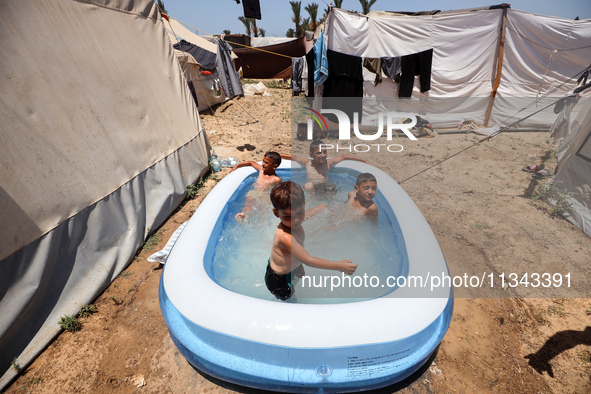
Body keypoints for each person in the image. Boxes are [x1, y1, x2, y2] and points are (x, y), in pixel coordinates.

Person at [266, 181, 357, 300]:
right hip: (279, 280)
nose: (296, 220)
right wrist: (338, 266)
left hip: (290, 269)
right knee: (290, 301)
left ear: (304, 205)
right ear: (276, 213)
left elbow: (307, 215)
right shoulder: (285, 237)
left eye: (300, 213)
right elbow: (308, 259)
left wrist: (321, 207)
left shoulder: (294, 220)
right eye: (287, 216)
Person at [282, 140, 369, 193]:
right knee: (308, 185)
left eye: (325, 152)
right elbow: (293, 157)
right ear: (311, 154)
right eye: (319, 153)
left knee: (331, 187)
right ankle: (314, 202)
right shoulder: (307, 162)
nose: (323, 155)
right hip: (311, 191)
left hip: (324, 188)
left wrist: (364, 160)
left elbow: (344, 157)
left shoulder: (328, 163)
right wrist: (278, 155)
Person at [231, 151, 282, 220]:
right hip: (255, 191)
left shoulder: (276, 179)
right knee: (249, 200)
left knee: (264, 208)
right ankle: (243, 214)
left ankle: (262, 220)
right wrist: (237, 165)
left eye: (266, 162)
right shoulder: (261, 170)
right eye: (263, 161)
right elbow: (251, 163)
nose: (263, 164)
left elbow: (279, 191)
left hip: (265, 195)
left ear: (274, 166)